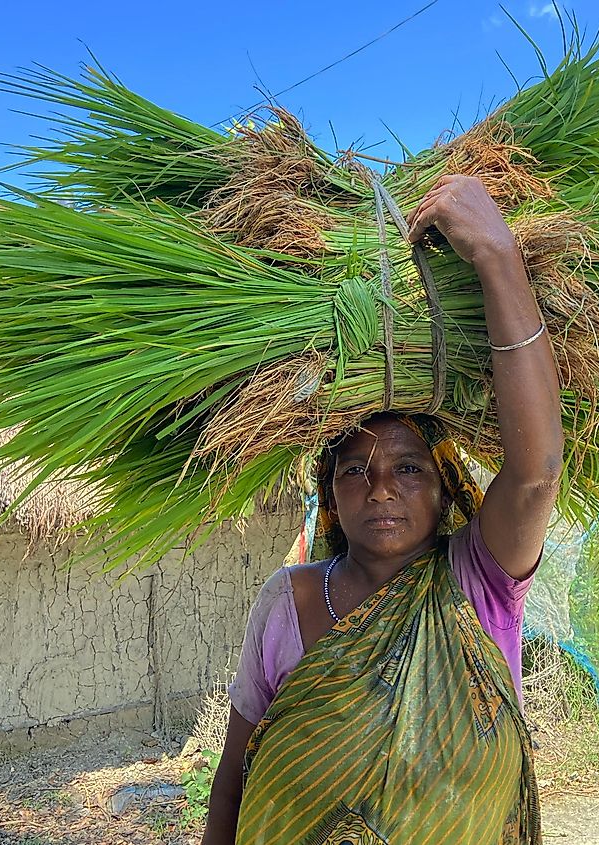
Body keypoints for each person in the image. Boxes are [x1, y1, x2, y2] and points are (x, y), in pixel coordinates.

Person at [202, 175, 563, 844]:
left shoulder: (478, 580)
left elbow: (536, 473)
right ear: (329, 492)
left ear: (444, 482)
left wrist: (495, 254)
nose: (380, 488)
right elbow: (232, 779)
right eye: (353, 470)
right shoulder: (286, 600)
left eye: (406, 467)